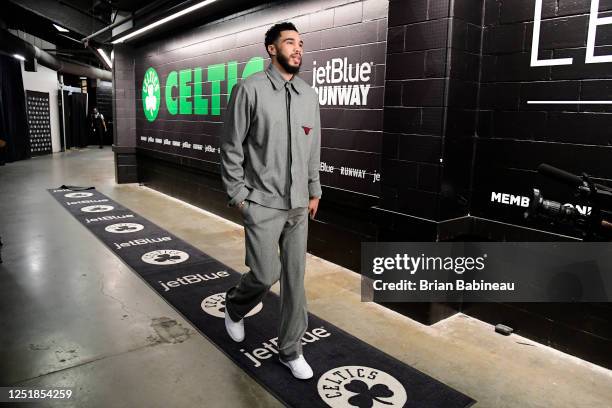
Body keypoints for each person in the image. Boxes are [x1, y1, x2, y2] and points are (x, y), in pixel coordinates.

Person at [220, 22, 322, 380]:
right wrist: (239, 196)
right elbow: (231, 147)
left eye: (301, 44)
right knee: (266, 274)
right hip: (261, 202)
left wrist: (314, 190)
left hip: (298, 206)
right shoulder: (249, 90)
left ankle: (291, 349)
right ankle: (234, 306)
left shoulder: (309, 95)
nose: (298, 49)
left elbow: (313, 149)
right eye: (290, 43)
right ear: (271, 49)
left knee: (295, 280)